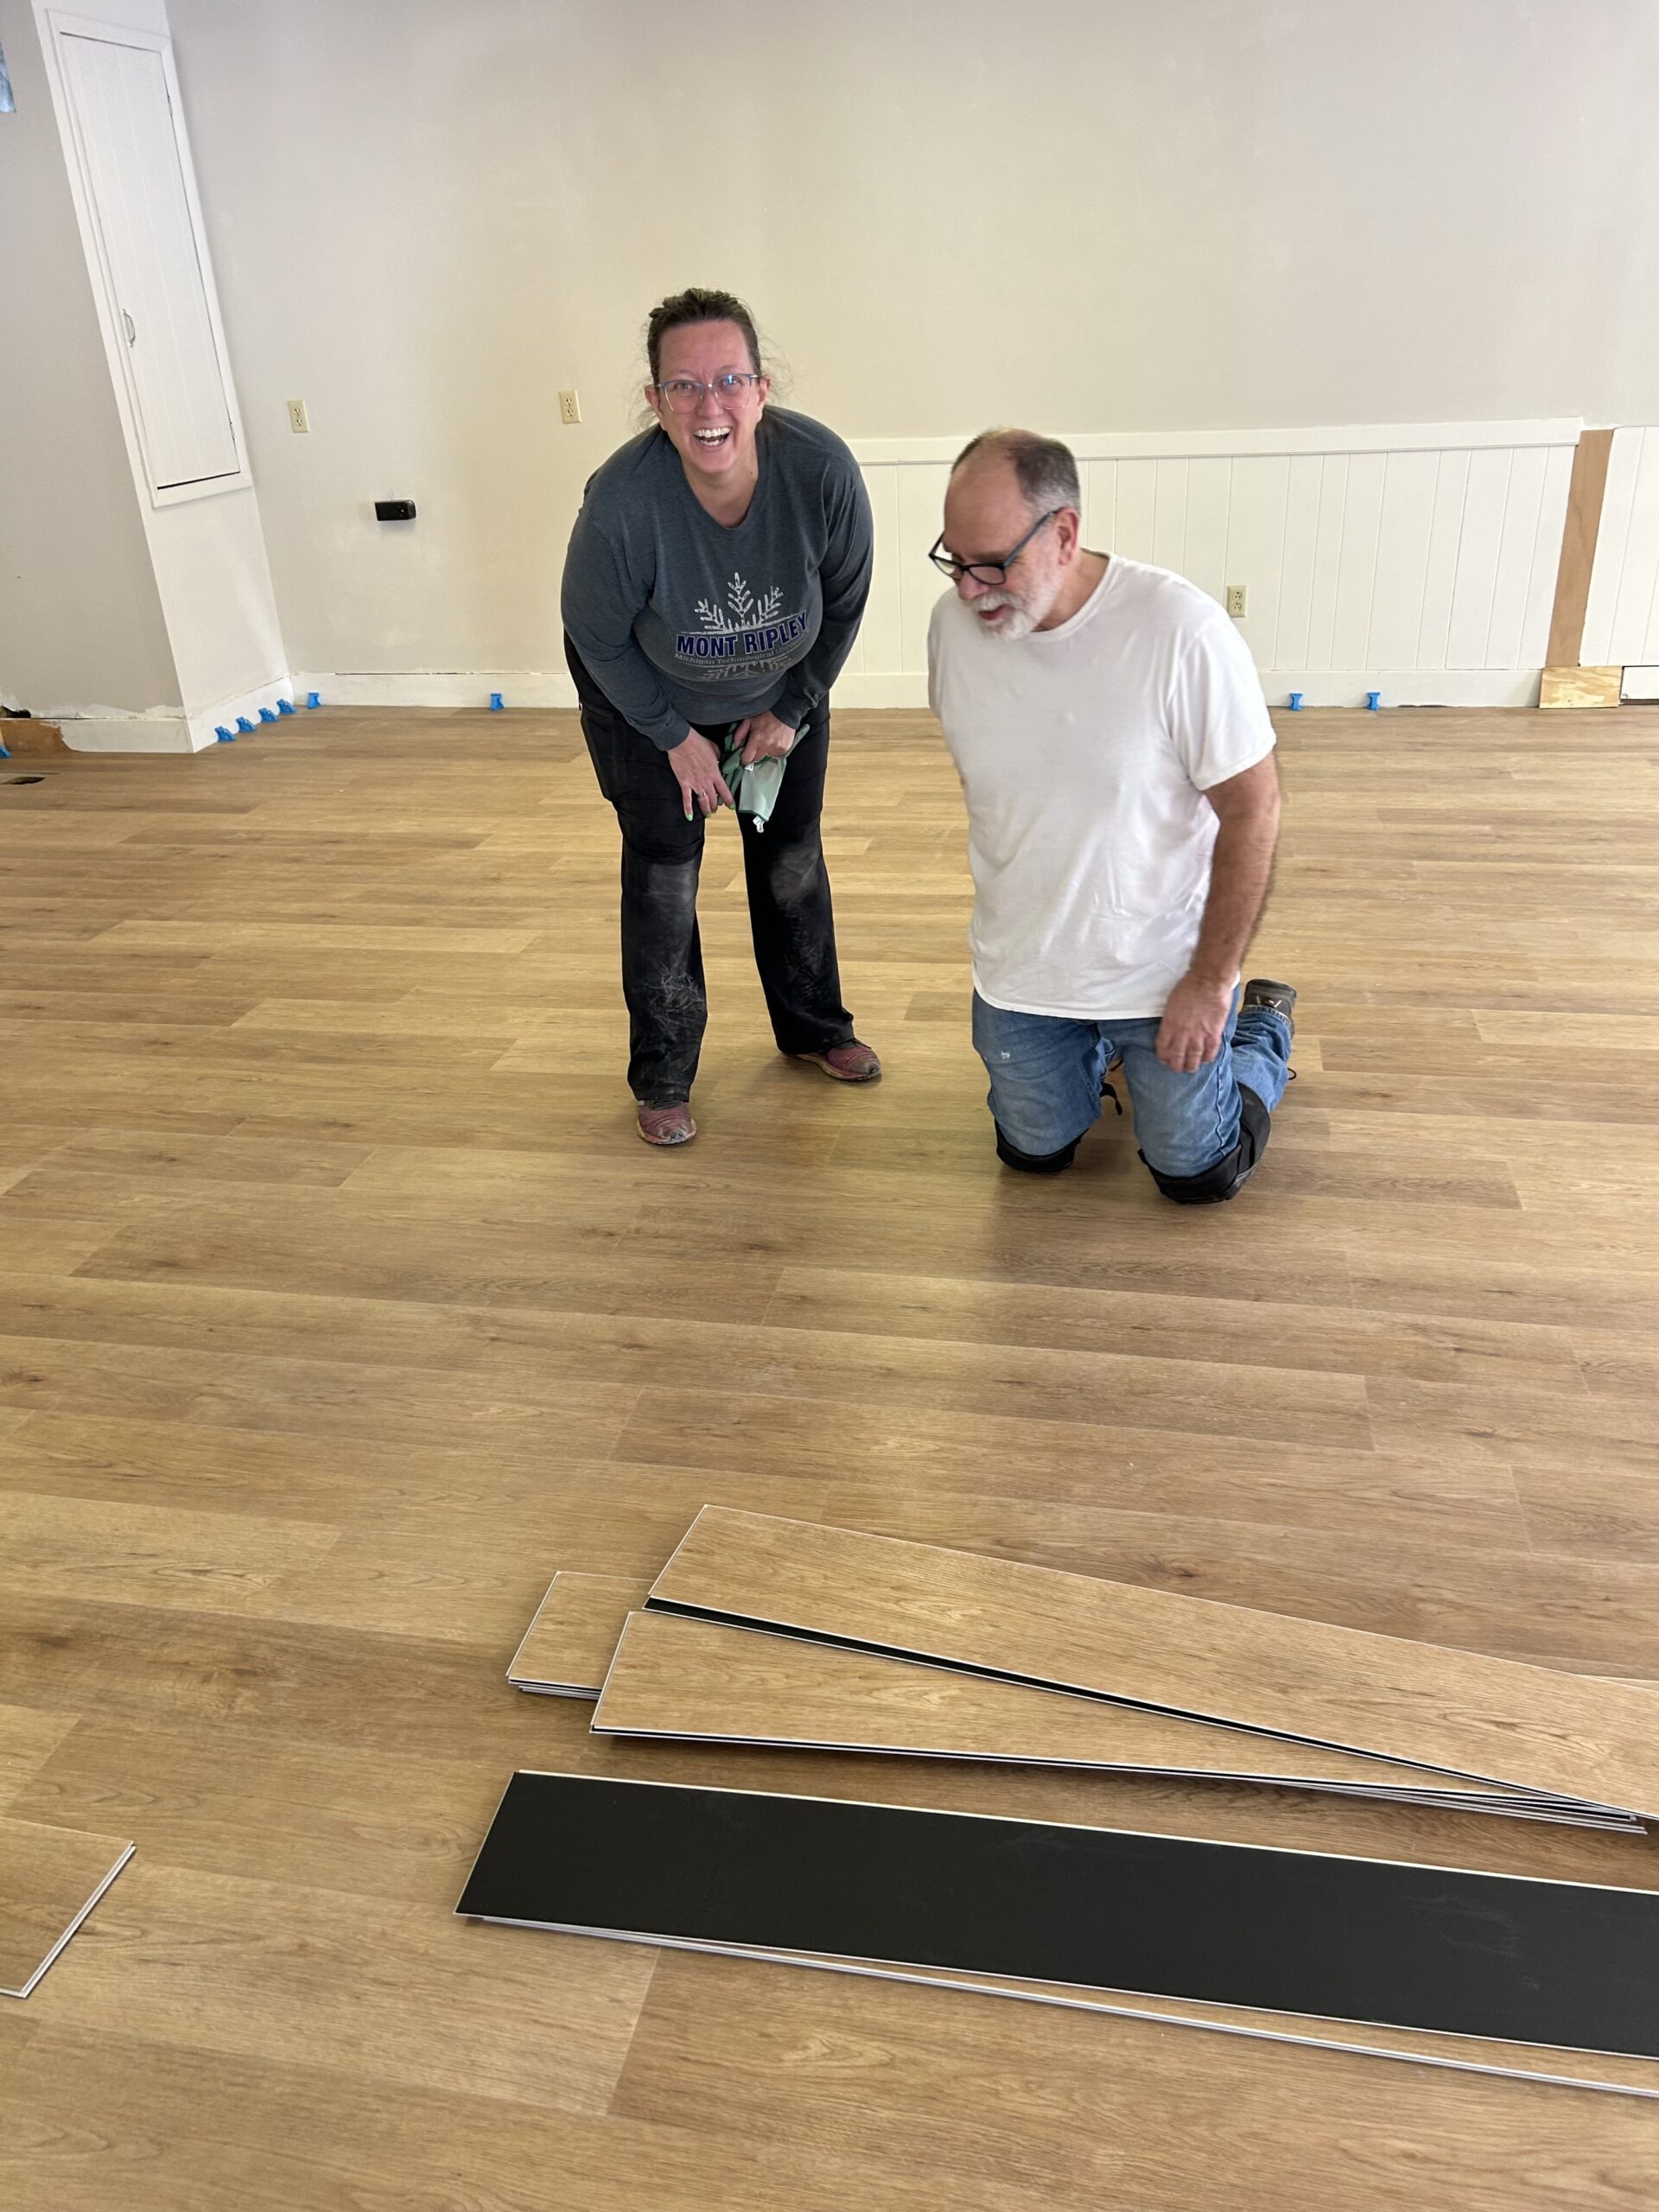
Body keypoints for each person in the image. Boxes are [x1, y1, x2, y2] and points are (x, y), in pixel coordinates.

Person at [926, 429, 1294, 1203]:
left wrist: (1210, 982)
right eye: (955, 561)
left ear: (1065, 534)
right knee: (1033, 1156)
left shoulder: (1180, 631)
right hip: (1022, 972)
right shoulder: (952, 632)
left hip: (1163, 974)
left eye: (992, 562)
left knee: (1198, 1175)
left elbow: (1254, 809)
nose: (968, 589)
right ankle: (1096, 1051)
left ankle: (1259, 1025)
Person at [562, 287, 880, 1147]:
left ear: (762, 389)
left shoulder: (820, 472)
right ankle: (664, 1074)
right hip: (644, 701)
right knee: (666, 878)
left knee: (791, 858)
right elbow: (597, 638)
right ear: (656, 400)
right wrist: (673, 738)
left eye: (730, 379)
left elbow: (844, 603)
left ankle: (815, 1028)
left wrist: (792, 707)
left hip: (779, 695)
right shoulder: (624, 503)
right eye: (685, 385)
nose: (711, 406)